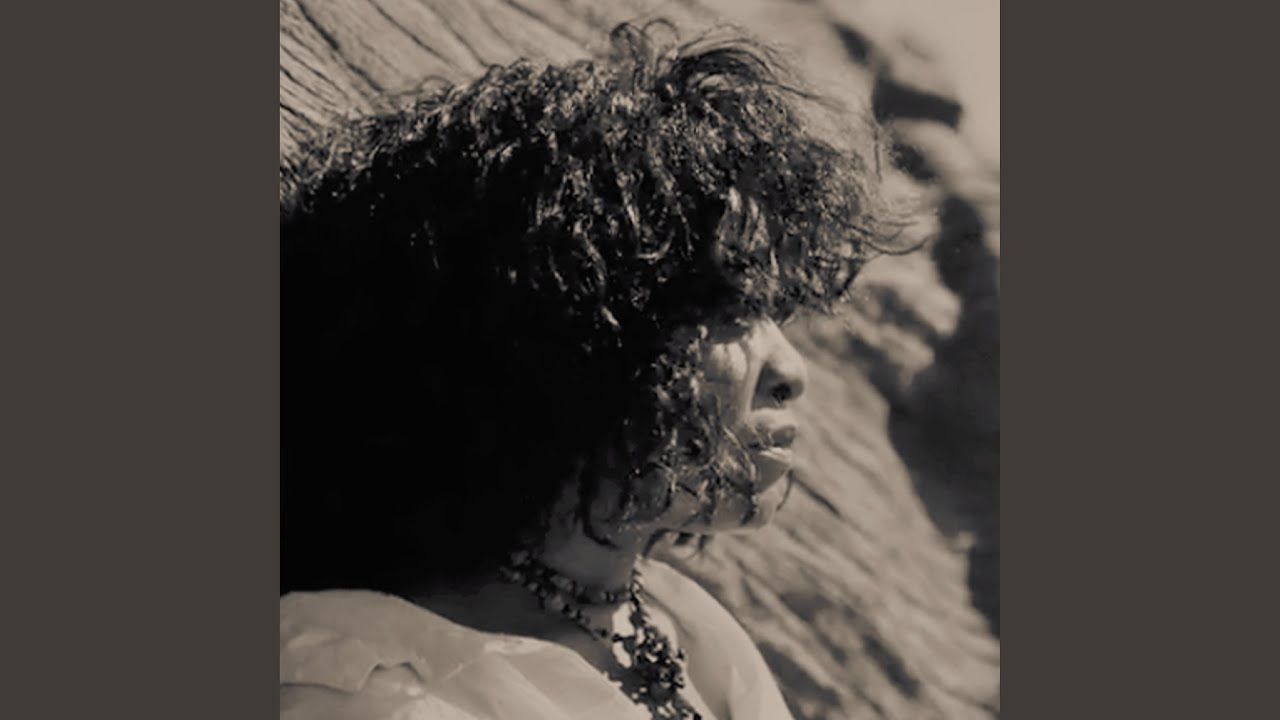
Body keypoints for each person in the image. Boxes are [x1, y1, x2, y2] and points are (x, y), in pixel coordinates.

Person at [280, 20, 892, 720]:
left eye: (773, 310)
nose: (790, 370)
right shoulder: (363, 693)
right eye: (728, 308)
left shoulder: (684, 622)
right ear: (568, 329)